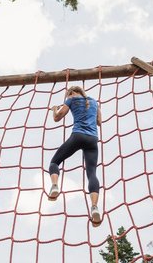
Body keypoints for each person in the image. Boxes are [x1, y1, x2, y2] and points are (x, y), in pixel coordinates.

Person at [48, 86, 102, 226]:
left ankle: (54, 186)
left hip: (77, 135)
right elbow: (99, 122)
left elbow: (57, 118)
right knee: (92, 173)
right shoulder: (94, 102)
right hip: (93, 139)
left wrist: (54, 109)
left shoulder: (71, 100)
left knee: (54, 162)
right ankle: (94, 207)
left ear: (71, 93)